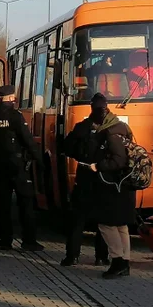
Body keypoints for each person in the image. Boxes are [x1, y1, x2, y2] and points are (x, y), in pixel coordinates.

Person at [0, 85, 44, 252]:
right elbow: (27, 140)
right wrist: (39, 160)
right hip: (17, 166)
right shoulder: (15, 116)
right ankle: (29, 241)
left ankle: (5, 241)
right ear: (11, 98)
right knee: (26, 202)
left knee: (3, 204)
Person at [85, 95, 136, 278]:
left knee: (107, 225)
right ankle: (125, 262)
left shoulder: (111, 133)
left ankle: (117, 261)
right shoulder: (121, 127)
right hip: (122, 186)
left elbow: (118, 161)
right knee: (121, 225)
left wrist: (98, 166)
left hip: (113, 186)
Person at [61, 94, 110, 267]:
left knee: (77, 220)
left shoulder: (81, 127)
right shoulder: (112, 128)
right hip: (104, 178)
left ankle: (72, 256)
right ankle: (101, 257)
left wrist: (80, 157)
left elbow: (66, 148)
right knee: (103, 221)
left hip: (84, 177)